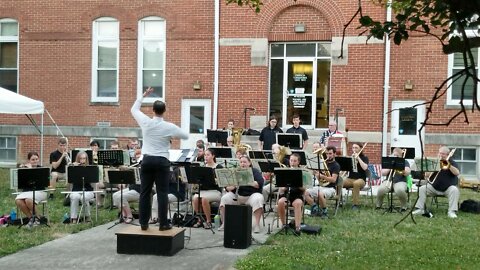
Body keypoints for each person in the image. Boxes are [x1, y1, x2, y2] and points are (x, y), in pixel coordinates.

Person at [131, 86, 189, 231]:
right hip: (162, 161)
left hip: (148, 159)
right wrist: (170, 135)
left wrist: (143, 95)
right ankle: (163, 223)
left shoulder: (146, 122)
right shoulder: (169, 126)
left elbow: (134, 110)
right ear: (164, 111)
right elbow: (186, 136)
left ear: (153, 111)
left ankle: (143, 222)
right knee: (162, 192)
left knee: (145, 192)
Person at [218, 155, 264, 233]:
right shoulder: (235, 172)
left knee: (258, 198)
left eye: (245, 162)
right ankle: (224, 223)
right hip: (238, 195)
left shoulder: (254, 171)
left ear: (249, 163)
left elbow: (259, 184)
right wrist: (234, 185)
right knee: (224, 198)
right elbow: (228, 188)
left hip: (250, 196)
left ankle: (257, 225)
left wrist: (247, 181)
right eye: (241, 162)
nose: (243, 164)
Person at [412, 146, 460, 218]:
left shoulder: (452, 162)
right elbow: (427, 175)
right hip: (434, 187)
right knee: (422, 189)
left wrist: (449, 165)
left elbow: (457, 173)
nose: (440, 155)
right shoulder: (435, 162)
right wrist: (433, 168)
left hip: (448, 188)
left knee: (455, 190)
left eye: (443, 154)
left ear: (447, 155)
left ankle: (451, 211)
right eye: (440, 153)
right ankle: (420, 209)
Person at [304, 146, 340, 218]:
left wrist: (322, 176)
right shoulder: (323, 163)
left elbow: (333, 180)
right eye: (327, 154)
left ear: (334, 154)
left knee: (320, 193)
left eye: (330, 154)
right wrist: (316, 174)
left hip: (331, 188)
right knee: (305, 192)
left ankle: (324, 211)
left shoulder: (336, 165)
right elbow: (319, 179)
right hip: (321, 186)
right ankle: (315, 208)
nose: (328, 155)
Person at [192, 148, 222, 229]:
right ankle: (200, 220)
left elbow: (221, 182)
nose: (206, 157)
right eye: (205, 155)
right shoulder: (202, 167)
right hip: (203, 190)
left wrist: (215, 180)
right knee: (195, 198)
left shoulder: (219, 167)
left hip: (215, 191)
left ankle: (208, 221)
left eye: (208, 155)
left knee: (204, 199)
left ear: (213, 156)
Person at [15, 151, 47, 227]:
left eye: (36, 159)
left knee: (28, 200)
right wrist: (24, 169)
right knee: (18, 200)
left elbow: (44, 183)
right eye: (33, 159)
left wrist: (31, 170)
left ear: (38, 159)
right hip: (26, 192)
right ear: (29, 160)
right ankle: (31, 219)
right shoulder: (24, 169)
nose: (35, 161)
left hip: (40, 191)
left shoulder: (42, 169)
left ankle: (38, 219)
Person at [277, 153, 304, 236]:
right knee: (281, 202)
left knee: (298, 203)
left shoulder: (302, 172)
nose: (292, 163)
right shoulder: (285, 171)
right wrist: (284, 186)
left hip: (297, 195)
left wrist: (298, 183)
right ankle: (284, 224)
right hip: (286, 194)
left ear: (298, 162)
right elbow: (281, 189)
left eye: (294, 161)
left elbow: (304, 189)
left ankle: (297, 227)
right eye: (291, 160)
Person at [69, 151, 95, 224]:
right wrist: (72, 167)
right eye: (81, 159)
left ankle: (87, 216)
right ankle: (74, 218)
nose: (82, 161)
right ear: (78, 159)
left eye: (84, 159)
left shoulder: (90, 168)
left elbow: (93, 182)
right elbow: (69, 181)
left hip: (88, 190)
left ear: (86, 159)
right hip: (76, 190)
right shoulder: (73, 167)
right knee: (75, 197)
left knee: (84, 197)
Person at [343, 143, 369, 210]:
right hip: (350, 179)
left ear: (360, 148)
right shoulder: (351, 157)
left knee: (356, 183)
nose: (354, 149)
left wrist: (358, 158)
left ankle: (355, 205)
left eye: (356, 148)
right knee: (339, 181)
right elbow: (346, 169)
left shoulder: (365, 158)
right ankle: (339, 201)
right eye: (353, 148)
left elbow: (365, 168)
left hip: (361, 180)